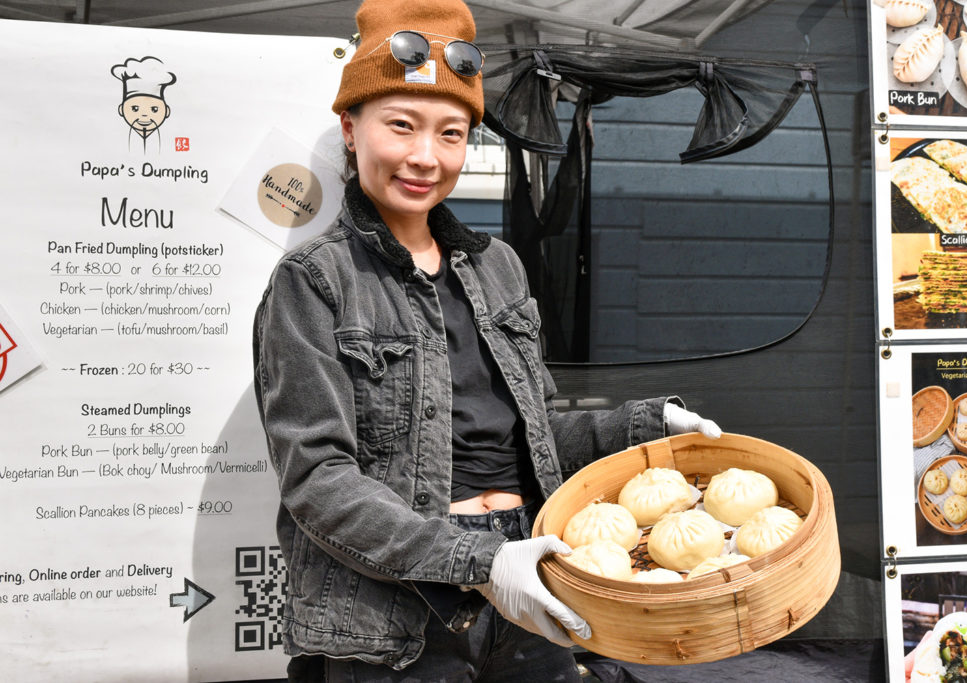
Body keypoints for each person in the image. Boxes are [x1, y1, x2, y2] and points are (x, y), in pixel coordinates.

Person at [252, 0, 722, 679]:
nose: (425, 156)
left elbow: (531, 436)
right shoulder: (315, 281)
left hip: (533, 564)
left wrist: (645, 423)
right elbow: (318, 480)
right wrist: (477, 560)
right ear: (351, 128)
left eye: (450, 133)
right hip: (400, 608)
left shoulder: (497, 267)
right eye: (401, 126)